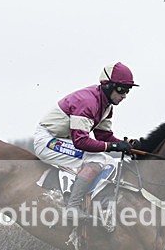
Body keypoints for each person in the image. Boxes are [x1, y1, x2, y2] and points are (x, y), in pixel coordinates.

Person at [34, 62, 137, 221]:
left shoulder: (106, 106)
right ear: (108, 86)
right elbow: (81, 142)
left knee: (109, 161)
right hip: (48, 140)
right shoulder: (88, 102)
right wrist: (114, 146)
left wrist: (128, 146)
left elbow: (104, 137)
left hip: (62, 139)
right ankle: (72, 207)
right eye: (121, 89)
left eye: (127, 90)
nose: (124, 95)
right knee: (98, 159)